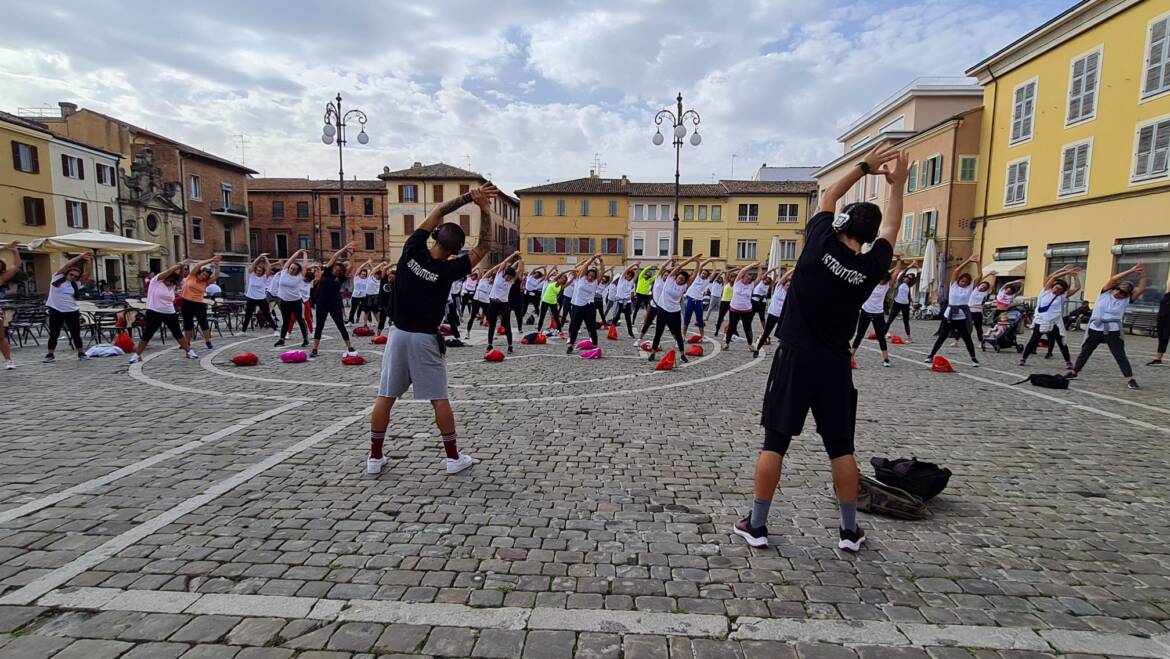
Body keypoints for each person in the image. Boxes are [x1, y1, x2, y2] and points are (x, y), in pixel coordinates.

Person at [735, 141, 908, 553]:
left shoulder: (818, 243)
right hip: (835, 361)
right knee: (841, 448)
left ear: (842, 222)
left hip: (795, 355)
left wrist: (866, 166)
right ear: (865, 238)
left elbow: (828, 194)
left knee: (775, 442)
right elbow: (892, 229)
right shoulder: (870, 267)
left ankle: (756, 525)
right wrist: (898, 185)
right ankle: (849, 532)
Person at [368, 182, 499, 476]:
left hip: (398, 334)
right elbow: (485, 247)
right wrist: (485, 210)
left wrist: (468, 197)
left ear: (435, 237)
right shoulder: (449, 270)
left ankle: (374, 458)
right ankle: (453, 458)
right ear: (455, 252)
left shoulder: (412, 248)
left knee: (385, 396)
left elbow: (439, 210)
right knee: (438, 397)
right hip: (424, 339)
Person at [1067, 264, 1147, 389]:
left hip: (1113, 330)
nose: (1119, 294)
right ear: (1115, 288)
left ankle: (1129, 379)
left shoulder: (1126, 300)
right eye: (1118, 290)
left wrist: (1142, 276)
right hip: (1096, 328)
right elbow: (1114, 279)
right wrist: (1131, 270)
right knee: (1085, 351)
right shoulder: (1105, 293)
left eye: (1123, 293)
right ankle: (1074, 372)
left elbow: (1142, 289)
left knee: (1120, 355)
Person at [924, 254, 984, 367]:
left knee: (967, 338)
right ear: (959, 280)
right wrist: (968, 260)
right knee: (942, 337)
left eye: (966, 281)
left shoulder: (969, 288)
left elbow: (980, 275)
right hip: (950, 315)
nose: (963, 282)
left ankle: (973, 358)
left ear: (968, 283)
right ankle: (930, 355)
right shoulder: (954, 285)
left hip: (961, 316)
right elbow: (956, 270)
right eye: (962, 280)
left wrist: (977, 263)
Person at [647, 255, 709, 362]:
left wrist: (698, 263)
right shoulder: (670, 279)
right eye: (679, 278)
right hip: (662, 310)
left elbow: (694, 275)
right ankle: (653, 353)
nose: (680, 280)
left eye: (683, 280)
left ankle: (682, 354)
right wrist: (691, 258)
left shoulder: (684, 286)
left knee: (678, 334)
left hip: (674, 312)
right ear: (676, 277)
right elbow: (679, 266)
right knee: (658, 332)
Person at [130, 260, 192, 363]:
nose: (171, 284)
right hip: (154, 311)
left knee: (177, 333)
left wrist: (182, 268)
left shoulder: (172, 285)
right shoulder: (156, 281)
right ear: (166, 278)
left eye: (173, 282)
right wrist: (178, 265)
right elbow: (168, 271)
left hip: (169, 312)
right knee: (148, 334)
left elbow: (180, 278)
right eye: (170, 281)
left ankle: (189, 351)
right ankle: (137, 355)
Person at [1019, 266, 1081, 369]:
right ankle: (1024, 358)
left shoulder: (1062, 297)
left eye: (1059, 289)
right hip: (1041, 320)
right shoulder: (1045, 292)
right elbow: (1052, 277)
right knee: (1033, 340)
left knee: (1061, 342)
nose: (1056, 290)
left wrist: (1075, 276)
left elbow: (1077, 287)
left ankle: (1068, 361)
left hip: (1055, 322)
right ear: (1052, 287)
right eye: (1056, 287)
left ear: (1062, 292)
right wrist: (1065, 271)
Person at [310, 242, 361, 359]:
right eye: (335, 269)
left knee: (340, 325)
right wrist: (344, 248)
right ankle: (315, 349)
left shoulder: (341, 278)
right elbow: (334, 257)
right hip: (322, 303)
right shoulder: (327, 272)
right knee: (319, 326)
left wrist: (352, 255)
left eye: (339, 270)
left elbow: (351, 267)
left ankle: (349, 347)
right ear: (333, 268)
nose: (336, 271)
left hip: (335, 304)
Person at [850, 255, 902, 367]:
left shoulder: (887, 285)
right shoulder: (871, 282)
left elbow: (897, 271)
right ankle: (851, 356)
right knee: (859, 335)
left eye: (884, 280)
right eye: (881, 280)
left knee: (881, 337)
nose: (882, 282)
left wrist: (898, 260)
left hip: (878, 313)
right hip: (865, 311)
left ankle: (886, 359)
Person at [42, 253, 93, 363]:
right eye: (71, 275)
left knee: (76, 334)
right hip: (56, 310)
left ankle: (81, 353)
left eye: (75, 276)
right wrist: (81, 256)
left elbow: (87, 274)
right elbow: (67, 265)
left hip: (72, 311)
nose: (73, 277)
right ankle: (50, 354)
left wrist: (88, 261)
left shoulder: (76, 284)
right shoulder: (57, 279)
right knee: (54, 333)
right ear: (67, 274)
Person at [178, 256, 221, 352]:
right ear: (200, 272)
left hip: (198, 303)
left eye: (206, 276)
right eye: (203, 274)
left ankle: (208, 341)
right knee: (187, 323)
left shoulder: (205, 283)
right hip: (186, 302)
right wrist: (211, 260)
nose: (204, 276)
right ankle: (187, 342)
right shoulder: (191, 276)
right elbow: (198, 265)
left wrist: (217, 265)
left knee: (203, 322)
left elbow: (216, 276)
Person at [566, 255, 604, 354]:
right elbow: (585, 266)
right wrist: (592, 258)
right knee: (575, 326)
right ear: (586, 275)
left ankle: (595, 345)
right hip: (577, 306)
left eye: (593, 276)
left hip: (589, 306)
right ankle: (571, 345)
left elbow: (602, 271)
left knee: (591, 326)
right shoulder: (581, 279)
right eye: (589, 275)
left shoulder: (595, 282)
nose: (590, 277)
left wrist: (600, 260)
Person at [486, 252, 522, 354]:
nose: (508, 278)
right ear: (505, 274)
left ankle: (510, 346)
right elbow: (504, 262)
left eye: (510, 277)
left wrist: (520, 259)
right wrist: (514, 254)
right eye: (507, 276)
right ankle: (489, 344)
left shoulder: (511, 282)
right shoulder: (498, 276)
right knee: (492, 325)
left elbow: (519, 270)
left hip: (504, 304)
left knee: (507, 325)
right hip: (493, 303)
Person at [723, 262, 762, 354]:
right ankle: (727, 343)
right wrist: (753, 265)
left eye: (749, 278)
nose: (748, 279)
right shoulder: (737, 282)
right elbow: (743, 270)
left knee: (747, 328)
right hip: (734, 309)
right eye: (746, 277)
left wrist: (760, 267)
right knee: (731, 327)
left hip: (747, 310)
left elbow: (759, 278)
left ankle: (750, 344)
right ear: (743, 277)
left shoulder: (751, 285)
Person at [273, 250, 310, 347]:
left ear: (298, 271)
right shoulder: (284, 271)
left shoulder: (299, 276)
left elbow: (305, 266)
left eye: (294, 269)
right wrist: (298, 252)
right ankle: (282, 339)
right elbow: (291, 260)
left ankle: (305, 338)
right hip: (284, 301)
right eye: (291, 268)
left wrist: (305, 254)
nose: (292, 270)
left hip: (296, 301)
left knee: (300, 320)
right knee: (286, 321)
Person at [755, 268, 794, 353]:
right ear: (783, 285)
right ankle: (757, 349)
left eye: (789, 286)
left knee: (783, 334)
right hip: (773, 314)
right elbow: (784, 276)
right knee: (766, 332)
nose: (788, 287)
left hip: (782, 316)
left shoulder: (790, 293)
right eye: (787, 285)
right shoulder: (778, 288)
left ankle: (782, 351)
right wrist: (793, 269)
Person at [240, 254, 277, 333]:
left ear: (262, 271)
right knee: (248, 315)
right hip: (251, 298)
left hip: (261, 298)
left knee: (267, 314)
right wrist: (259, 257)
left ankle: (275, 330)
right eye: (257, 270)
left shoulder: (264, 277)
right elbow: (252, 265)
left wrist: (266, 258)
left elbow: (269, 267)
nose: (258, 272)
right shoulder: (252, 275)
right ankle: (243, 331)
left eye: (260, 271)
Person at [682, 262, 714, 339]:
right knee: (687, 319)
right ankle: (683, 335)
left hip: (699, 302)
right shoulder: (697, 277)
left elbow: (714, 272)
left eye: (705, 274)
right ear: (701, 273)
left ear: (707, 276)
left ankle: (702, 336)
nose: (704, 275)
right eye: (703, 273)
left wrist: (713, 262)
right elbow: (701, 265)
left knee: (700, 320)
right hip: (690, 300)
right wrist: (709, 260)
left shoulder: (706, 281)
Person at [0, 241, 19, 369]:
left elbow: (17, 264)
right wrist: (4, 248)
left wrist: (14, 251)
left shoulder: (1, 278)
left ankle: (9, 360)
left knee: (0, 336)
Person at [885, 268, 916, 342]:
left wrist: (917, 268)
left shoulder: (909, 285)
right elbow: (904, 271)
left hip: (905, 304)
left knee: (906, 321)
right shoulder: (900, 282)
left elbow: (915, 279)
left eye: (909, 279)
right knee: (890, 319)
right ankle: (883, 334)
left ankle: (909, 337)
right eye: (906, 278)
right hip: (897, 303)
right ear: (904, 278)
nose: (907, 279)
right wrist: (911, 265)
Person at [610, 262, 639, 337]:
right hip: (620, 302)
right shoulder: (621, 280)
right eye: (628, 274)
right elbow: (626, 270)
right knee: (616, 317)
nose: (628, 276)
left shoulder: (631, 282)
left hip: (627, 302)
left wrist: (638, 267)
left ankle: (630, 333)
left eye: (630, 275)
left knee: (628, 319)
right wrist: (633, 264)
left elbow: (636, 275)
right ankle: (611, 332)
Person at [466, 266, 493, 336]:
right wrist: (478, 269)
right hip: (477, 300)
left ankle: (491, 332)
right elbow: (486, 273)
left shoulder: (493, 286)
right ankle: (468, 332)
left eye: (493, 280)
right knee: (472, 317)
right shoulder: (483, 280)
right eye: (491, 278)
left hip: (485, 302)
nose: (491, 280)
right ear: (489, 278)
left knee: (489, 318)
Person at [967, 276, 993, 343]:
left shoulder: (985, 293)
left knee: (978, 328)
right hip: (969, 311)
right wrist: (989, 274)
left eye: (985, 287)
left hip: (978, 312)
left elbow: (991, 286)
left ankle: (981, 341)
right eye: (982, 285)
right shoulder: (974, 289)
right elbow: (978, 279)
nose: (983, 287)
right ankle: (956, 340)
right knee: (965, 326)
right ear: (980, 284)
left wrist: (993, 276)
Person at [1149, 284, 1170, 366]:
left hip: (1168, 321)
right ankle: (1158, 359)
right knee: (1162, 339)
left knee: (1164, 339)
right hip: (1162, 320)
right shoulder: (1167, 295)